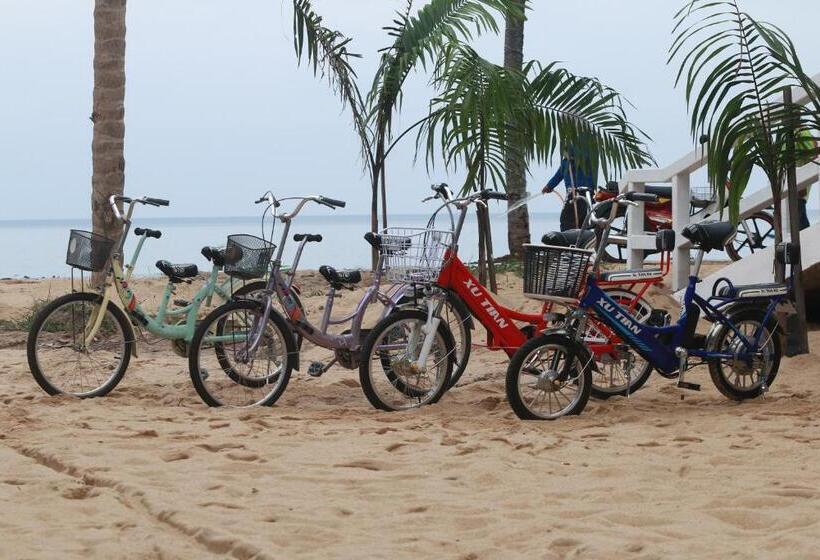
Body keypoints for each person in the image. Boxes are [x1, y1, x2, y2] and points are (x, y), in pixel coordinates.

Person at [541, 148, 598, 231]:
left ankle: (569, 243)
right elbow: (560, 174)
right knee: (580, 222)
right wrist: (549, 186)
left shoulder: (579, 157)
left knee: (567, 222)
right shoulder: (566, 162)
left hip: (578, 193)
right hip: (584, 194)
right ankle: (581, 242)